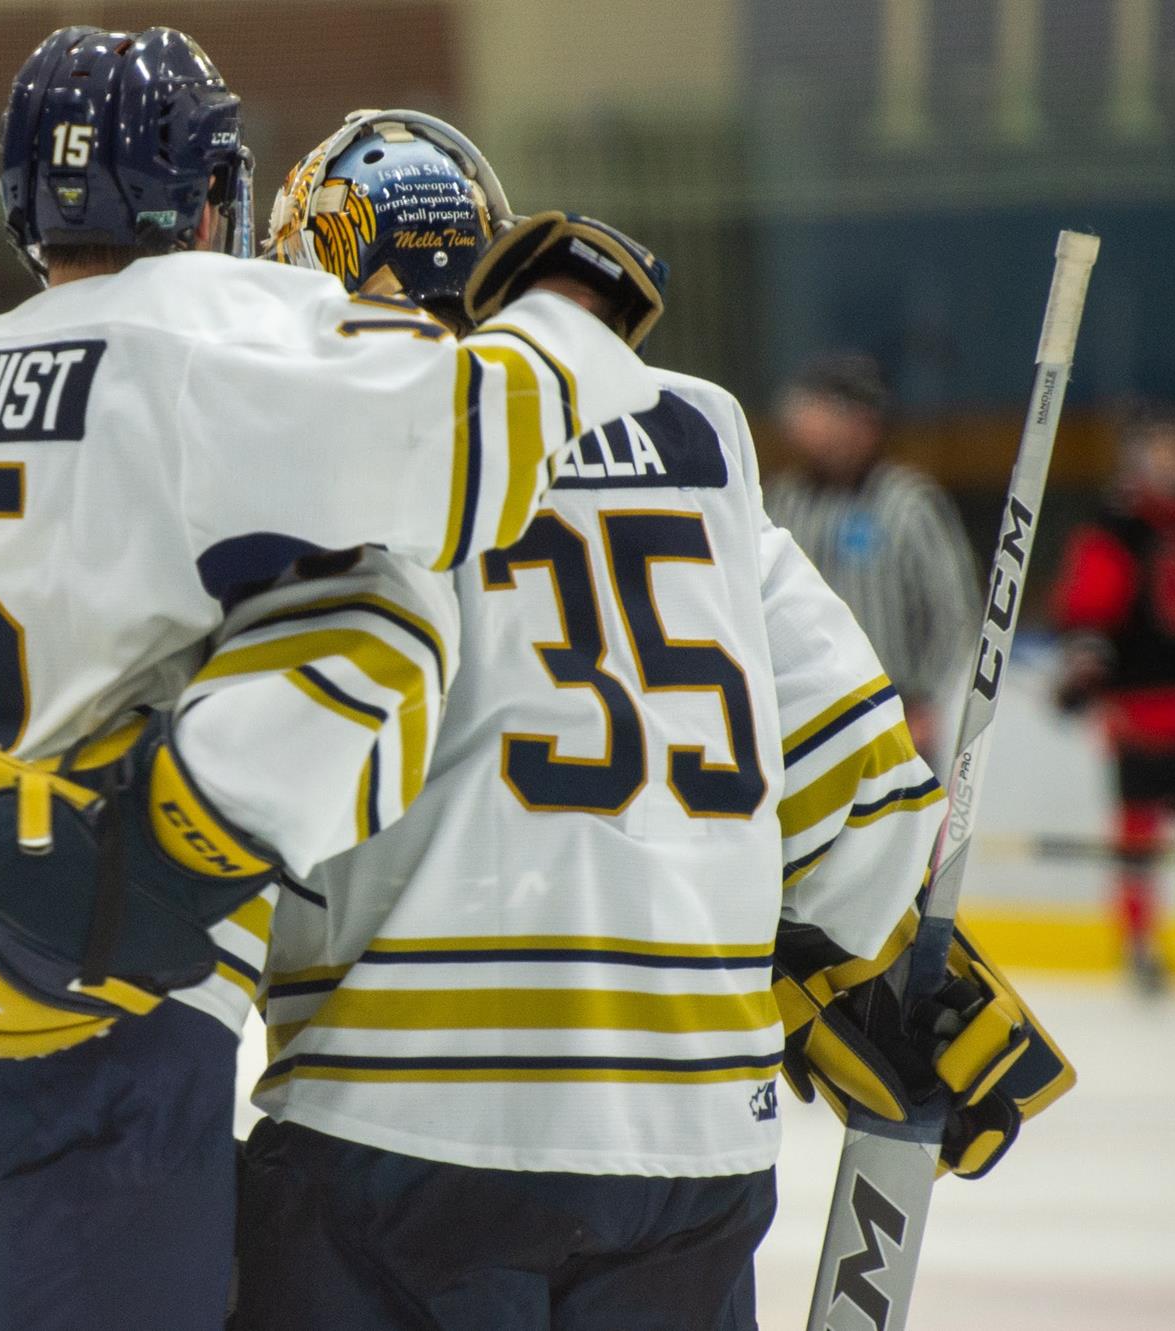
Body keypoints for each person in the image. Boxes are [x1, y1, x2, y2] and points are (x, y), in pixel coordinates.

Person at [0, 27, 666, 1331]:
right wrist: (569, 325)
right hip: (103, 991)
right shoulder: (217, 327)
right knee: (375, 607)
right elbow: (467, 456)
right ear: (213, 191)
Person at [228, 113, 1073, 1331]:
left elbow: (238, 798)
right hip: (692, 1143)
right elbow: (872, 807)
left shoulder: (324, 436)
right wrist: (845, 956)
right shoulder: (695, 425)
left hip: (402, 1125)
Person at [1051, 406, 1175, 990]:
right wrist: (1085, 669)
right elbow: (1090, 605)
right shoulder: (1118, 526)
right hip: (1139, 711)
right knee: (1138, 834)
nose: (1170, 460)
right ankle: (1140, 941)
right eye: (1157, 448)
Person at [765, 352, 980, 767]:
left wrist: (925, 700)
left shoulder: (907, 502)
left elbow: (954, 610)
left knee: (897, 828)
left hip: (892, 714)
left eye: (821, 411)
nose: (805, 425)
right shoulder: (783, 500)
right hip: (798, 716)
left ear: (862, 423)